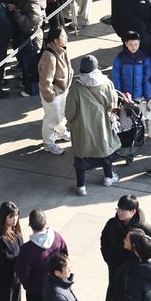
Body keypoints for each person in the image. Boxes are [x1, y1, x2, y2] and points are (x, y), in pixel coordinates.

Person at [65, 54, 121, 195]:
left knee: (81, 157)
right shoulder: (106, 82)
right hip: (101, 126)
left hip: (82, 128)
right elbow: (112, 103)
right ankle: (108, 177)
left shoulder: (76, 87)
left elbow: (70, 111)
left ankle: (81, 186)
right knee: (104, 152)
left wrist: (72, 122)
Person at [37, 26, 73, 156]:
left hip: (62, 91)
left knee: (62, 115)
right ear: (55, 40)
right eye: (63, 36)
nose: (66, 38)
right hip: (54, 95)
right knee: (52, 119)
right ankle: (49, 143)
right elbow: (45, 81)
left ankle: (60, 131)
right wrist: (51, 96)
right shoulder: (49, 56)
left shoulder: (62, 50)